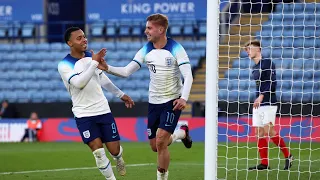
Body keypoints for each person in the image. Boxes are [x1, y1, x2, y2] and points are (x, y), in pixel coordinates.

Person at [99, 14, 193, 180]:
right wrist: (107, 68)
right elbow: (127, 71)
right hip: (154, 103)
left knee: (161, 142)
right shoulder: (146, 49)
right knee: (155, 146)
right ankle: (182, 133)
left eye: (149, 28)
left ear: (161, 29)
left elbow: (188, 75)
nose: (146, 31)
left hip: (172, 101)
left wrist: (183, 98)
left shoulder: (176, 48)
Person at [58, 27, 135, 180]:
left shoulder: (90, 57)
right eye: (79, 38)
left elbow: (102, 79)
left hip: (103, 110)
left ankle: (118, 158)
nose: (84, 40)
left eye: (84, 36)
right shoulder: (64, 65)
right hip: (83, 114)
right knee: (98, 152)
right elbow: (79, 83)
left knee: (114, 150)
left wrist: (121, 94)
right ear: (70, 43)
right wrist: (94, 62)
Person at [244, 40, 293, 170]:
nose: (247, 51)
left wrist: (261, 96)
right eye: (246, 49)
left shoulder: (268, 63)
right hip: (258, 103)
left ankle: (288, 155)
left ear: (258, 49)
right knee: (258, 132)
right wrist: (258, 98)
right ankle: (264, 163)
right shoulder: (254, 67)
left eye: (249, 48)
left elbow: (273, 83)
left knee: (268, 130)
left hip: (268, 101)